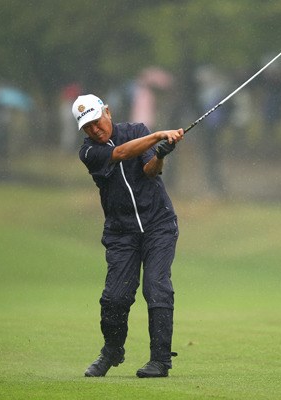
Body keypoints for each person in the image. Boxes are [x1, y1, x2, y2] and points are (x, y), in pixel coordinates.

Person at [71, 94, 184, 378]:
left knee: (156, 287)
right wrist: (159, 135)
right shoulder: (88, 152)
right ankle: (112, 351)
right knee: (115, 298)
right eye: (88, 127)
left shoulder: (136, 131)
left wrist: (159, 154)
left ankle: (160, 361)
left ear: (107, 112)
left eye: (97, 122)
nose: (95, 130)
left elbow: (150, 171)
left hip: (158, 223)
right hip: (121, 233)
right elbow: (120, 154)